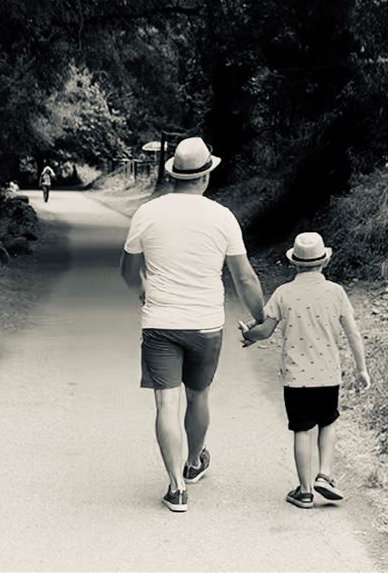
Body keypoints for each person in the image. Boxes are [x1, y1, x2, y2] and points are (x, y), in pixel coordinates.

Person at [120, 136, 265, 512]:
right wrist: (261, 319)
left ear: (173, 175)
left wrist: (145, 294)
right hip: (205, 324)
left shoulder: (147, 213)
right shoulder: (222, 217)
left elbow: (129, 272)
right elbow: (245, 278)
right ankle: (194, 461)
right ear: (205, 176)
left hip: (160, 322)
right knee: (198, 395)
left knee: (166, 403)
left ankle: (176, 487)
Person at [239, 232, 371, 509]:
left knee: (302, 430)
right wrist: (361, 369)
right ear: (324, 262)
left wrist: (249, 335)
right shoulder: (336, 292)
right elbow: (353, 333)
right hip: (328, 375)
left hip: (296, 378)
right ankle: (325, 474)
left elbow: (265, 330)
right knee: (328, 423)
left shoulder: (283, 293)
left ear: (294, 263)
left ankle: (306, 491)